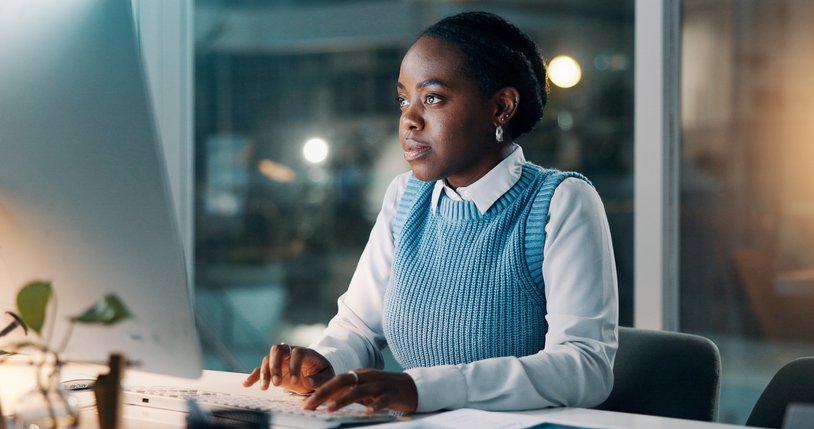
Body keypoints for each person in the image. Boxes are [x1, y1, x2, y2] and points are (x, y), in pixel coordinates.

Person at [243, 11, 618, 415]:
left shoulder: (560, 203)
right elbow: (358, 330)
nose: (409, 119)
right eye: (404, 99)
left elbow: (585, 367)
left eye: (433, 98)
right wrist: (325, 364)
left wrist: (423, 389)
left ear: (501, 107)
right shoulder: (407, 197)